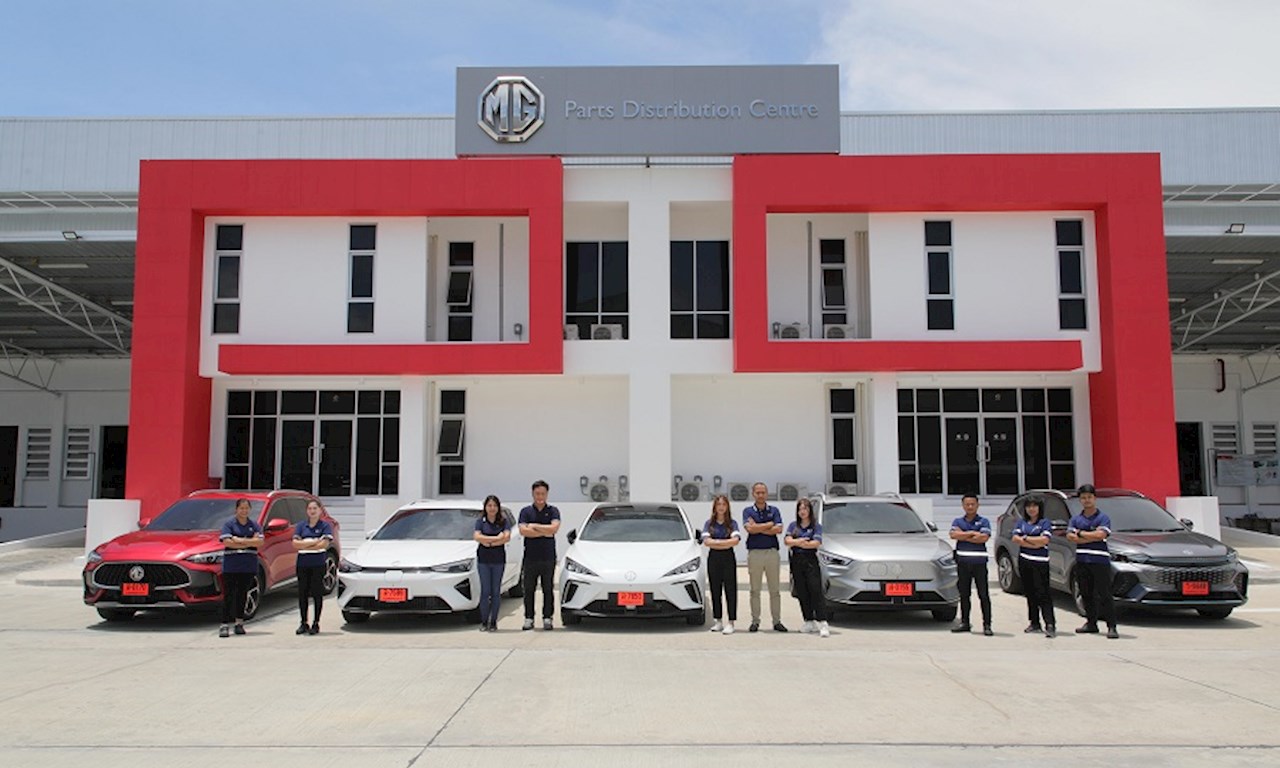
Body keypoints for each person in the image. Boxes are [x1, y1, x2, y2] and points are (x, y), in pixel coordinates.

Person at [1068, 484, 1119, 639]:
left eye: (1089, 497)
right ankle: (1091, 623)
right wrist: (1091, 535)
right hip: (1082, 560)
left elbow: (1101, 535)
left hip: (1100, 561)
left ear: (1095, 498)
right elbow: (1070, 537)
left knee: (1104, 593)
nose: (1087, 500)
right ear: (1080, 500)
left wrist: (1081, 534)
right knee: (1086, 593)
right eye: (1083, 498)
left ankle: (1111, 626)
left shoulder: (1103, 517)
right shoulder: (1076, 519)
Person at [742, 482, 787, 632]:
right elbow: (750, 529)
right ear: (753, 494)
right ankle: (755, 621)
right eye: (758, 493)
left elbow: (779, 529)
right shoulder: (748, 511)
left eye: (763, 492)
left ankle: (777, 621)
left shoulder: (774, 510)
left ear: (767, 494)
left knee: (775, 590)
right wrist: (769, 525)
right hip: (755, 553)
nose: (760, 495)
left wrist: (758, 527)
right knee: (755, 590)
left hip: (771, 553)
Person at [518, 479, 561, 631]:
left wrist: (534, 526)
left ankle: (547, 618)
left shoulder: (553, 511)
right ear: (532, 494)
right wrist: (545, 531)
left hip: (548, 557)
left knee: (548, 589)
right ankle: (529, 618)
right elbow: (523, 531)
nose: (540, 496)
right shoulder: (525, 512)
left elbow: (554, 529)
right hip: (530, 557)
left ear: (547, 494)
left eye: (543, 493)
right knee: (528, 589)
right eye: (537, 493)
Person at [1011, 495, 1056, 638]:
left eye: (1034, 506)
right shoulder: (1022, 522)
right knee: (1030, 593)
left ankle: (1050, 624)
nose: (1031, 509)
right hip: (1025, 561)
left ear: (1039, 508)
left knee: (1043, 593)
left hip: (1040, 562)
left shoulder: (1045, 523)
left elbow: (1044, 540)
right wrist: (1033, 542)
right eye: (1029, 506)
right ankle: (1034, 623)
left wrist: (1025, 538)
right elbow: (1015, 538)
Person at [218, 498, 263, 638]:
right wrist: (249, 541)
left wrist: (239, 540)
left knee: (242, 594)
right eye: (241, 508)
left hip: (248, 565)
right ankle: (224, 624)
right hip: (232, 565)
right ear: (236, 509)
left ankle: (239, 623)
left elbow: (259, 542)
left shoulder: (254, 525)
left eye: (246, 508)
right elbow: (227, 542)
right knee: (229, 595)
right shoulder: (229, 524)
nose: (244, 511)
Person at [950, 493, 993, 636]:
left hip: (979, 563)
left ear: (977, 505)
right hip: (963, 563)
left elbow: (983, 538)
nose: (970, 507)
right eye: (967, 504)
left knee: (983, 595)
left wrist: (964, 535)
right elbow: (953, 535)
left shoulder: (984, 521)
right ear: (963, 506)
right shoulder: (958, 521)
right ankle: (965, 623)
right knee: (964, 594)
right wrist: (972, 533)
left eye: (972, 504)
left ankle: (987, 625)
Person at [784, 497, 828, 638]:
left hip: (810, 561)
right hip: (797, 561)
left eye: (805, 508)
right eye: (800, 509)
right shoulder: (793, 526)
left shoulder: (816, 526)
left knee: (815, 590)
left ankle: (822, 622)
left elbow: (816, 543)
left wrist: (799, 543)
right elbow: (787, 541)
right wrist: (800, 541)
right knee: (802, 591)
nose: (802, 511)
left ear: (810, 510)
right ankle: (808, 620)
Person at [292, 499, 334, 635]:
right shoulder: (301, 526)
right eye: (310, 508)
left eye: (315, 508)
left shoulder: (325, 526)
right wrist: (314, 542)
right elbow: (295, 544)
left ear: (320, 510)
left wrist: (305, 544)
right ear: (306, 511)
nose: (312, 511)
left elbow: (324, 544)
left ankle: (316, 623)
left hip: (318, 564)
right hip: (302, 564)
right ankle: (303, 622)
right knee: (302, 593)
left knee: (317, 593)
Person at [702, 494, 741, 635]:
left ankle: (731, 622)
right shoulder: (709, 524)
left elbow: (735, 541)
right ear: (714, 507)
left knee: (730, 590)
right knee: (715, 589)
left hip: (728, 558)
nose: (721, 507)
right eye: (719, 504)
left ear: (727, 507)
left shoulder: (732, 524)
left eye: (724, 504)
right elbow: (707, 542)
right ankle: (718, 621)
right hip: (714, 559)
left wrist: (717, 542)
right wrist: (724, 542)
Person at [474, 494, 512, 632]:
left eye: (495, 505)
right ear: (485, 507)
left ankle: (494, 622)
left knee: (496, 591)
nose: (492, 508)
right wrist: (496, 538)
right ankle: (484, 622)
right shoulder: (480, 521)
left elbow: (506, 537)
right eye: (489, 505)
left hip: (498, 560)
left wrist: (489, 542)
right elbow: (477, 536)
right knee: (485, 591)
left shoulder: (503, 521)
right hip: (483, 560)